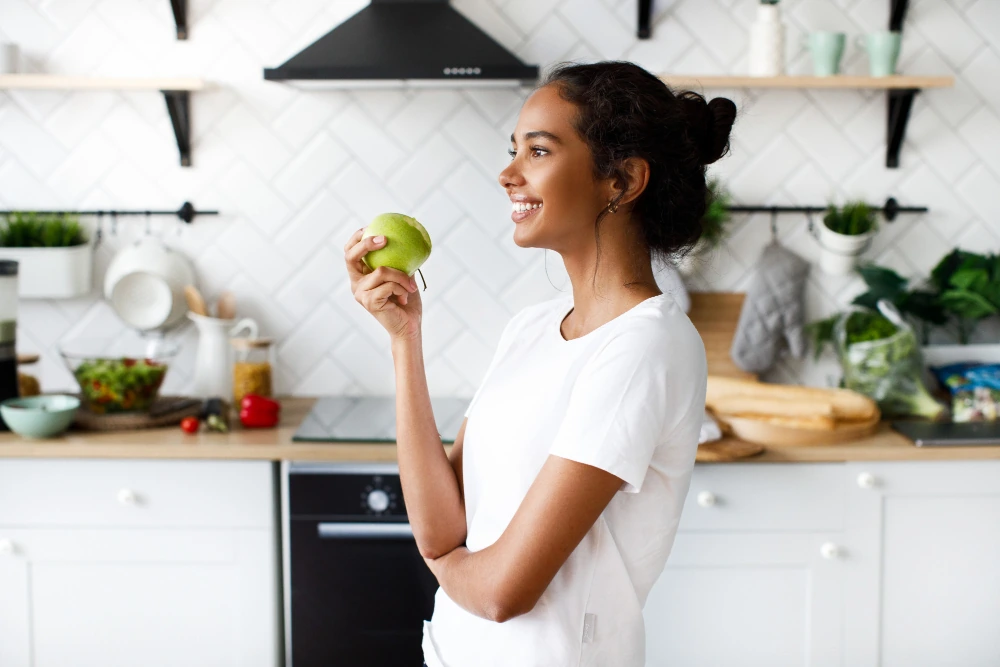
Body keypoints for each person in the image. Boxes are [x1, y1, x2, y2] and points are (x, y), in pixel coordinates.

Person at [343, 60, 737, 667]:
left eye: (539, 151)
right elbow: (444, 517)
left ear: (623, 181)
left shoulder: (644, 347)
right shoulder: (531, 328)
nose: (507, 174)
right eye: (514, 151)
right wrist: (404, 339)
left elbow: (503, 591)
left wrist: (446, 560)